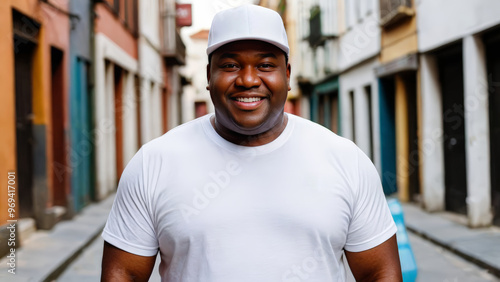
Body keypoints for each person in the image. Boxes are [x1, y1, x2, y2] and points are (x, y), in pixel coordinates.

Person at [101, 4, 402, 282]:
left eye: (265, 65)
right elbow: (122, 274)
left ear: (287, 75)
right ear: (209, 75)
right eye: (231, 65)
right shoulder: (155, 162)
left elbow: (380, 272)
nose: (247, 80)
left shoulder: (344, 159)